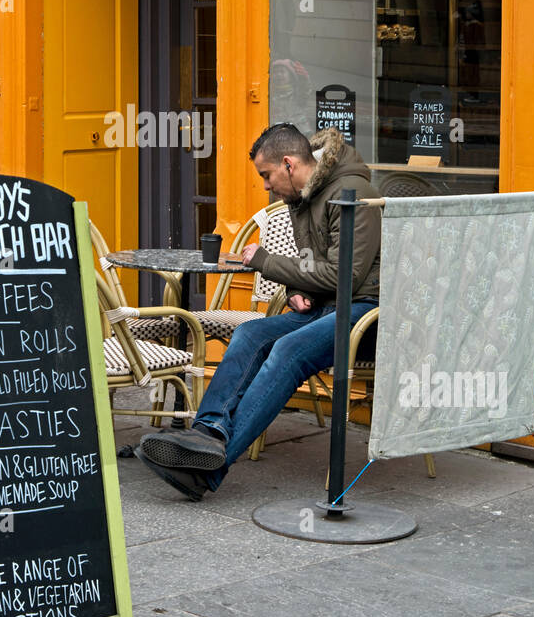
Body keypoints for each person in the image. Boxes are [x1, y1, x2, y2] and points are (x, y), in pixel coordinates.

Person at [134, 123, 381, 500]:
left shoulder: (353, 193)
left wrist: (266, 261)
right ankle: (208, 432)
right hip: (326, 307)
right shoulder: (301, 198)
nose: (265, 185)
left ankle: (205, 473)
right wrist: (298, 289)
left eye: (266, 175)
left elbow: (344, 275)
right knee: (251, 333)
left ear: (288, 164)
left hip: (363, 315)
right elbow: (310, 264)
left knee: (287, 350)